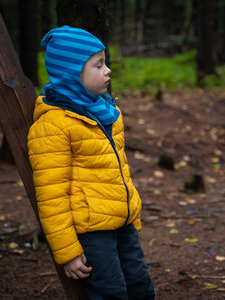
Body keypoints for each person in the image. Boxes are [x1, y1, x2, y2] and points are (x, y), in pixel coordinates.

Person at [27, 25, 155, 300]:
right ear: (72, 75)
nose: (107, 70)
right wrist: (68, 251)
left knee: (140, 287)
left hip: (123, 221)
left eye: (105, 63)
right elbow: (51, 195)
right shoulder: (54, 125)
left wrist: (130, 209)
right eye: (98, 65)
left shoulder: (105, 110)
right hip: (91, 232)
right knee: (111, 292)